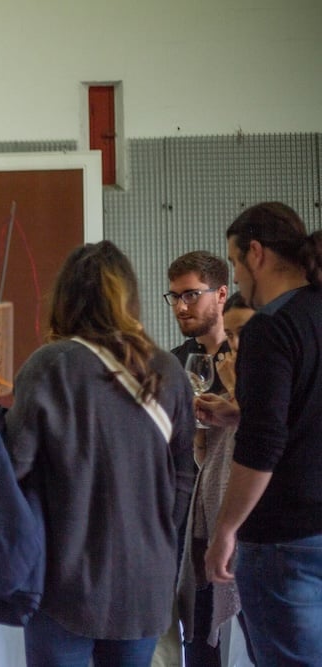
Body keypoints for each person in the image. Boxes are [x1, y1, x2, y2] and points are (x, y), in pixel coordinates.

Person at [5, 241, 196, 667]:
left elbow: (14, 468)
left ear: (64, 299)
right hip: (145, 580)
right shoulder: (167, 370)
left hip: (62, 580)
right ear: (130, 297)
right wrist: (159, 531)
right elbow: (186, 473)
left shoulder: (48, 366)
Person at [204, 202, 322, 665]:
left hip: (284, 540)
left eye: (233, 262)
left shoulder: (271, 329)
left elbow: (263, 446)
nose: (236, 276)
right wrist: (240, 414)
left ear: (256, 253)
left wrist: (225, 530)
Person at [156, 251, 230, 667]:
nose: (181, 306)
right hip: (186, 519)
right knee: (197, 636)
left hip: (236, 511)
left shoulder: (250, 357)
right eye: (175, 297)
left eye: (191, 295)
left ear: (221, 294)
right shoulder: (169, 364)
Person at [177, 293, 257, 666]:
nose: (237, 343)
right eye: (235, 333)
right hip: (210, 524)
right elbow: (210, 462)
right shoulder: (197, 364)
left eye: (247, 332)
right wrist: (199, 435)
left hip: (253, 533)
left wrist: (240, 394)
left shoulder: (271, 378)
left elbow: (266, 447)